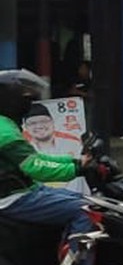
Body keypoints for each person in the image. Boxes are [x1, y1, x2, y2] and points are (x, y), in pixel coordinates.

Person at [0, 70, 97, 240]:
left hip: (25, 189)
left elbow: (37, 157)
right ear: (10, 98)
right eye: (25, 97)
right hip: (13, 198)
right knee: (86, 211)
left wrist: (74, 160)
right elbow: (36, 167)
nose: (29, 102)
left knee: (85, 200)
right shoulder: (4, 132)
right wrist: (76, 168)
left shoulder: (5, 124)